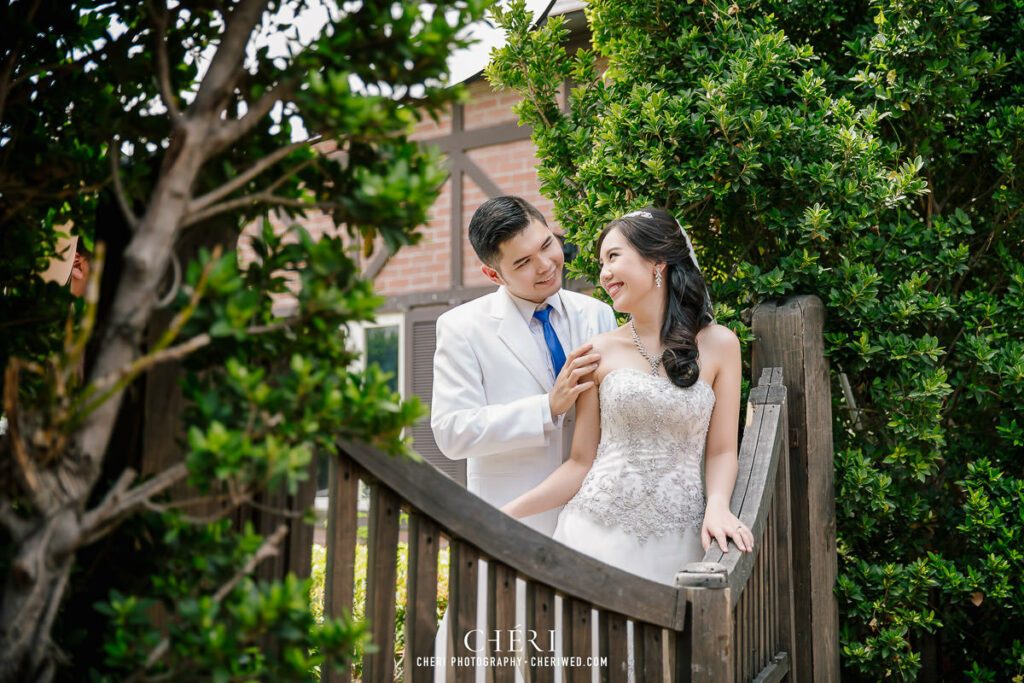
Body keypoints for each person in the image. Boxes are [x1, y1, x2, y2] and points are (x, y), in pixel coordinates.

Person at [500, 207, 754, 585]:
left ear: (657, 261)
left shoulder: (721, 345)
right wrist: (506, 513)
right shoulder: (596, 352)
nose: (604, 274)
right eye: (601, 263)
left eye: (613, 257)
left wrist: (717, 506)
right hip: (594, 532)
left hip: (680, 539)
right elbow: (580, 463)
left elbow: (721, 451)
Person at [431, 196, 618, 533]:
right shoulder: (461, 327)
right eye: (524, 262)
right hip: (516, 521)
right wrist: (547, 407)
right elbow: (452, 432)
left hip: (598, 518)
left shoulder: (598, 313)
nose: (546, 265)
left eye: (548, 244)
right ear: (493, 274)